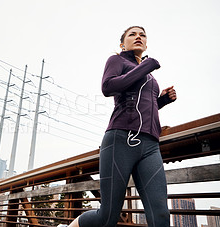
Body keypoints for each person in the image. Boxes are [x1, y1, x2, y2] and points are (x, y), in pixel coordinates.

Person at [68, 26, 177, 227]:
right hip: (120, 140)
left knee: (161, 216)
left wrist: (162, 100)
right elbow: (108, 87)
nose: (138, 37)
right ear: (122, 43)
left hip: (150, 145)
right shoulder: (117, 60)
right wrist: (147, 65)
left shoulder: (151, 77)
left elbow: (142, 107)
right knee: (107, 217)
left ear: (146, 44)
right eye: (132, 34)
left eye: (142, 35)